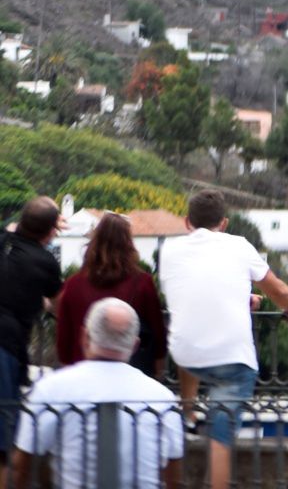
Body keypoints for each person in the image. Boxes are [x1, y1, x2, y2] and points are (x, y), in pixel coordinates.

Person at [158, 188, 288, 489]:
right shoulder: (238, 245)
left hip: (185, 355)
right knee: (220, 436)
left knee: (191, 336)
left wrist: (240, 296)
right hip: (232, 361)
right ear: (223, 223)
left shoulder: (169, 249)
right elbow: (278, 290)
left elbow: (195, 290)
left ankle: (188, 411)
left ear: (187, 221)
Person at [12, 297, 182, 489]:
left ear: (85, 336)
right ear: (134, 345)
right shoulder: (162, 397)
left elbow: (21, 467)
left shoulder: (51, 389)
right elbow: (173, 473)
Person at [0, 197, 62, 489]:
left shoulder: (3, 240)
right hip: (5, 345)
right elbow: (58, 306)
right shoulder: (45, 261)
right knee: (2, 441)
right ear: (51, 231)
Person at [55, 213, 167, 376]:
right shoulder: (143, 283)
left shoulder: (73, 285)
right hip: (130, 374)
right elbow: (158, 335)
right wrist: (158, 373)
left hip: (82, 372)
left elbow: (63, 340)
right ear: (128, 244)